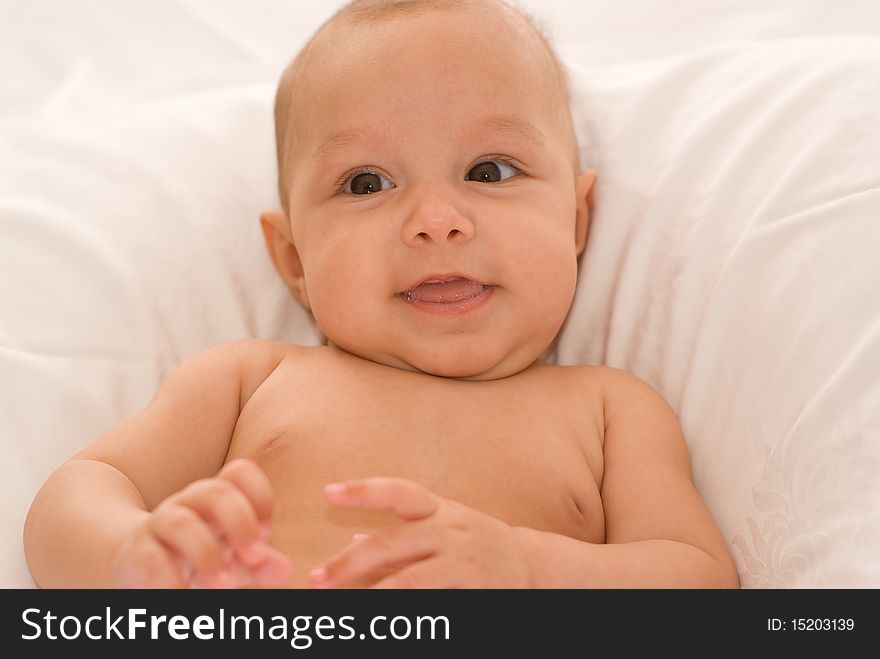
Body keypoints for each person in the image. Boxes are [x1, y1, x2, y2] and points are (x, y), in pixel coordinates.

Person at [23, 0, 739, 589]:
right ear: (294, 259)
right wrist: (128, 553)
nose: (436, 222)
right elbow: (82, 486)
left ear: (577, 220)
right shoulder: (251, 380)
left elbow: (699, 579)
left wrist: (532, 566)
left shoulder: (611, 410)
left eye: (490, 170)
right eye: (367, 183)